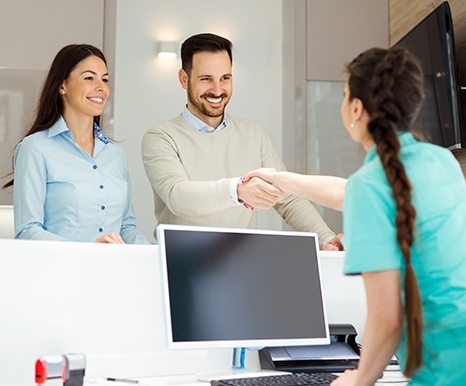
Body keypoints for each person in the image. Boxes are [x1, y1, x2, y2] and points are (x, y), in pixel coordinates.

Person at [245, 46, 466, 385]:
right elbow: (348, 192)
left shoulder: (371, 184)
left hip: (439, 369)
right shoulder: (443, 162)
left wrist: (360, 378)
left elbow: (387, 317)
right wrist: (282, 180)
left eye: (345, 94)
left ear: (357, 108)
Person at [141, 33, 342, 250]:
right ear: (184, 79)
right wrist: (237, 190)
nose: (217, 90)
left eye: (225, 78)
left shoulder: (253, 133)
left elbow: (288, 198)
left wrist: (325, 237)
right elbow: (178, 196)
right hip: (180, 262)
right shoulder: (161, 137)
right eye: (206, 79)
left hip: (240, 262)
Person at [2, 44, 150, 244]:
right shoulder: (35, 148)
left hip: (112, 271)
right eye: (89, 78)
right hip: (61, 272)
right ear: (62, 85)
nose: (102, 87)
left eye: (105, 80)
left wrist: (154, 255)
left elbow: (126, 227)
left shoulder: (116, 154)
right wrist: (86, 252)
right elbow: (28, 230)